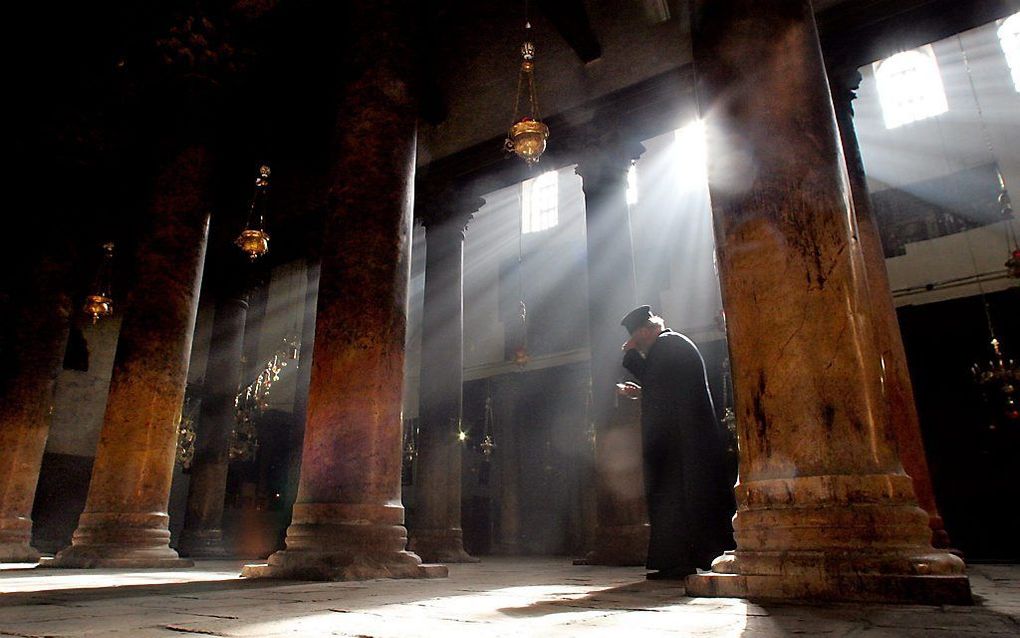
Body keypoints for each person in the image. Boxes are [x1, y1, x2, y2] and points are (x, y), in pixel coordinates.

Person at [617, 304, 735, 579]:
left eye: (637, 337)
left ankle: (681, 561)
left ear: (647, 330)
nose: (636, 343)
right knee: (681, 498)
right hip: (682, 441)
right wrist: (642, 393)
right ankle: (683, 559)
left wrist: (632, 357)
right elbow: (664, 391)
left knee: (676, 498)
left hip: (681, 446)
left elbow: (659, 384)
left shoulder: (668, 346)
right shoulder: (671, 346)